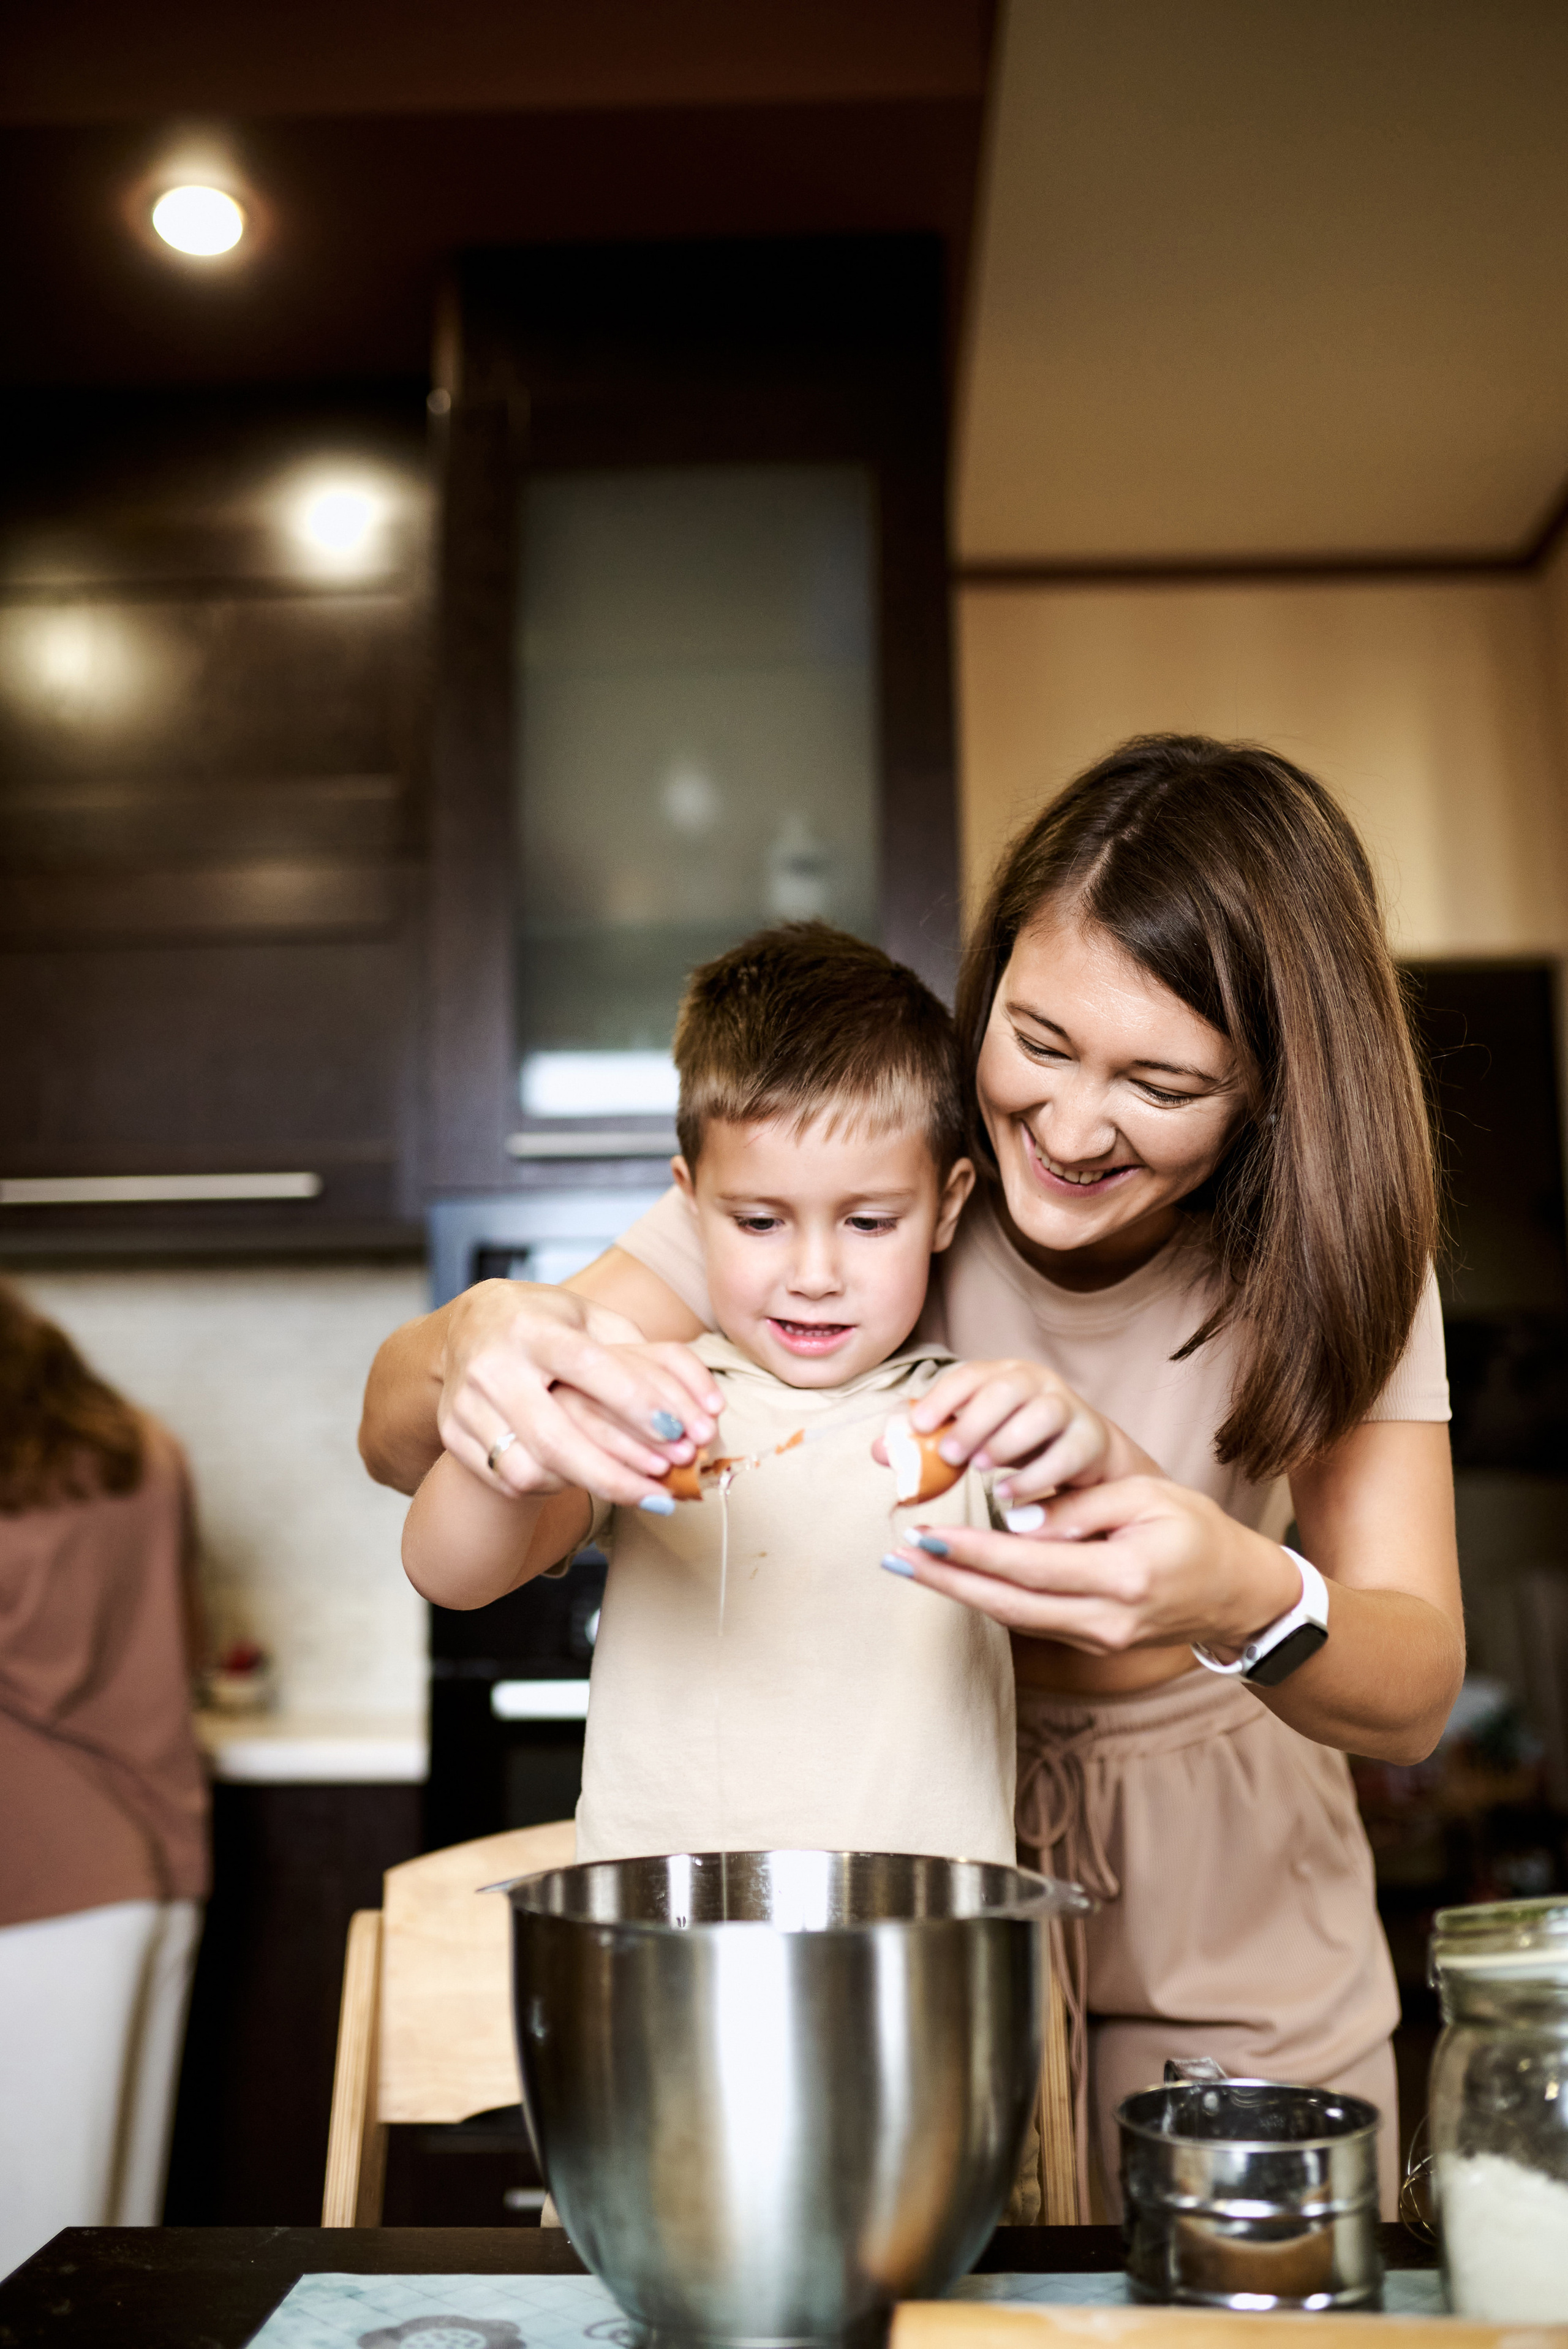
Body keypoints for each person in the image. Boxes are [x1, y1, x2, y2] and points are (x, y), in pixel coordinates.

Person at [361, 734, 1461, 2217]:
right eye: (1040, 1044)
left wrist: (1228, 1584)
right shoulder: (844, 1176)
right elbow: (412, 1449)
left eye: (1158, 1082)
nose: (1070, 1132)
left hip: (1227, 1875)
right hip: (904, 1861)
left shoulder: (1340, 1262)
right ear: (986, 984)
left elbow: (1406, 1686)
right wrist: (485, 1342)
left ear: (1268, 1089)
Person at [402, 924, 1023, 1872]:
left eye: (868, 1221)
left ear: (946, 1205)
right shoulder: (656, 1398)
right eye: (760, 1220)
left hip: (916, 1963)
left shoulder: (977, 1422)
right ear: (692, 1207)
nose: (815, 1274)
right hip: (667, 1948)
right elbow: (450, 1572)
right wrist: (515, 1462)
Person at [0, 1284, 209, 2279]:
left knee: (26, 2261)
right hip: (154, 1865)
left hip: (33, 1880)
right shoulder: (145, 1448)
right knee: (105, 2254)